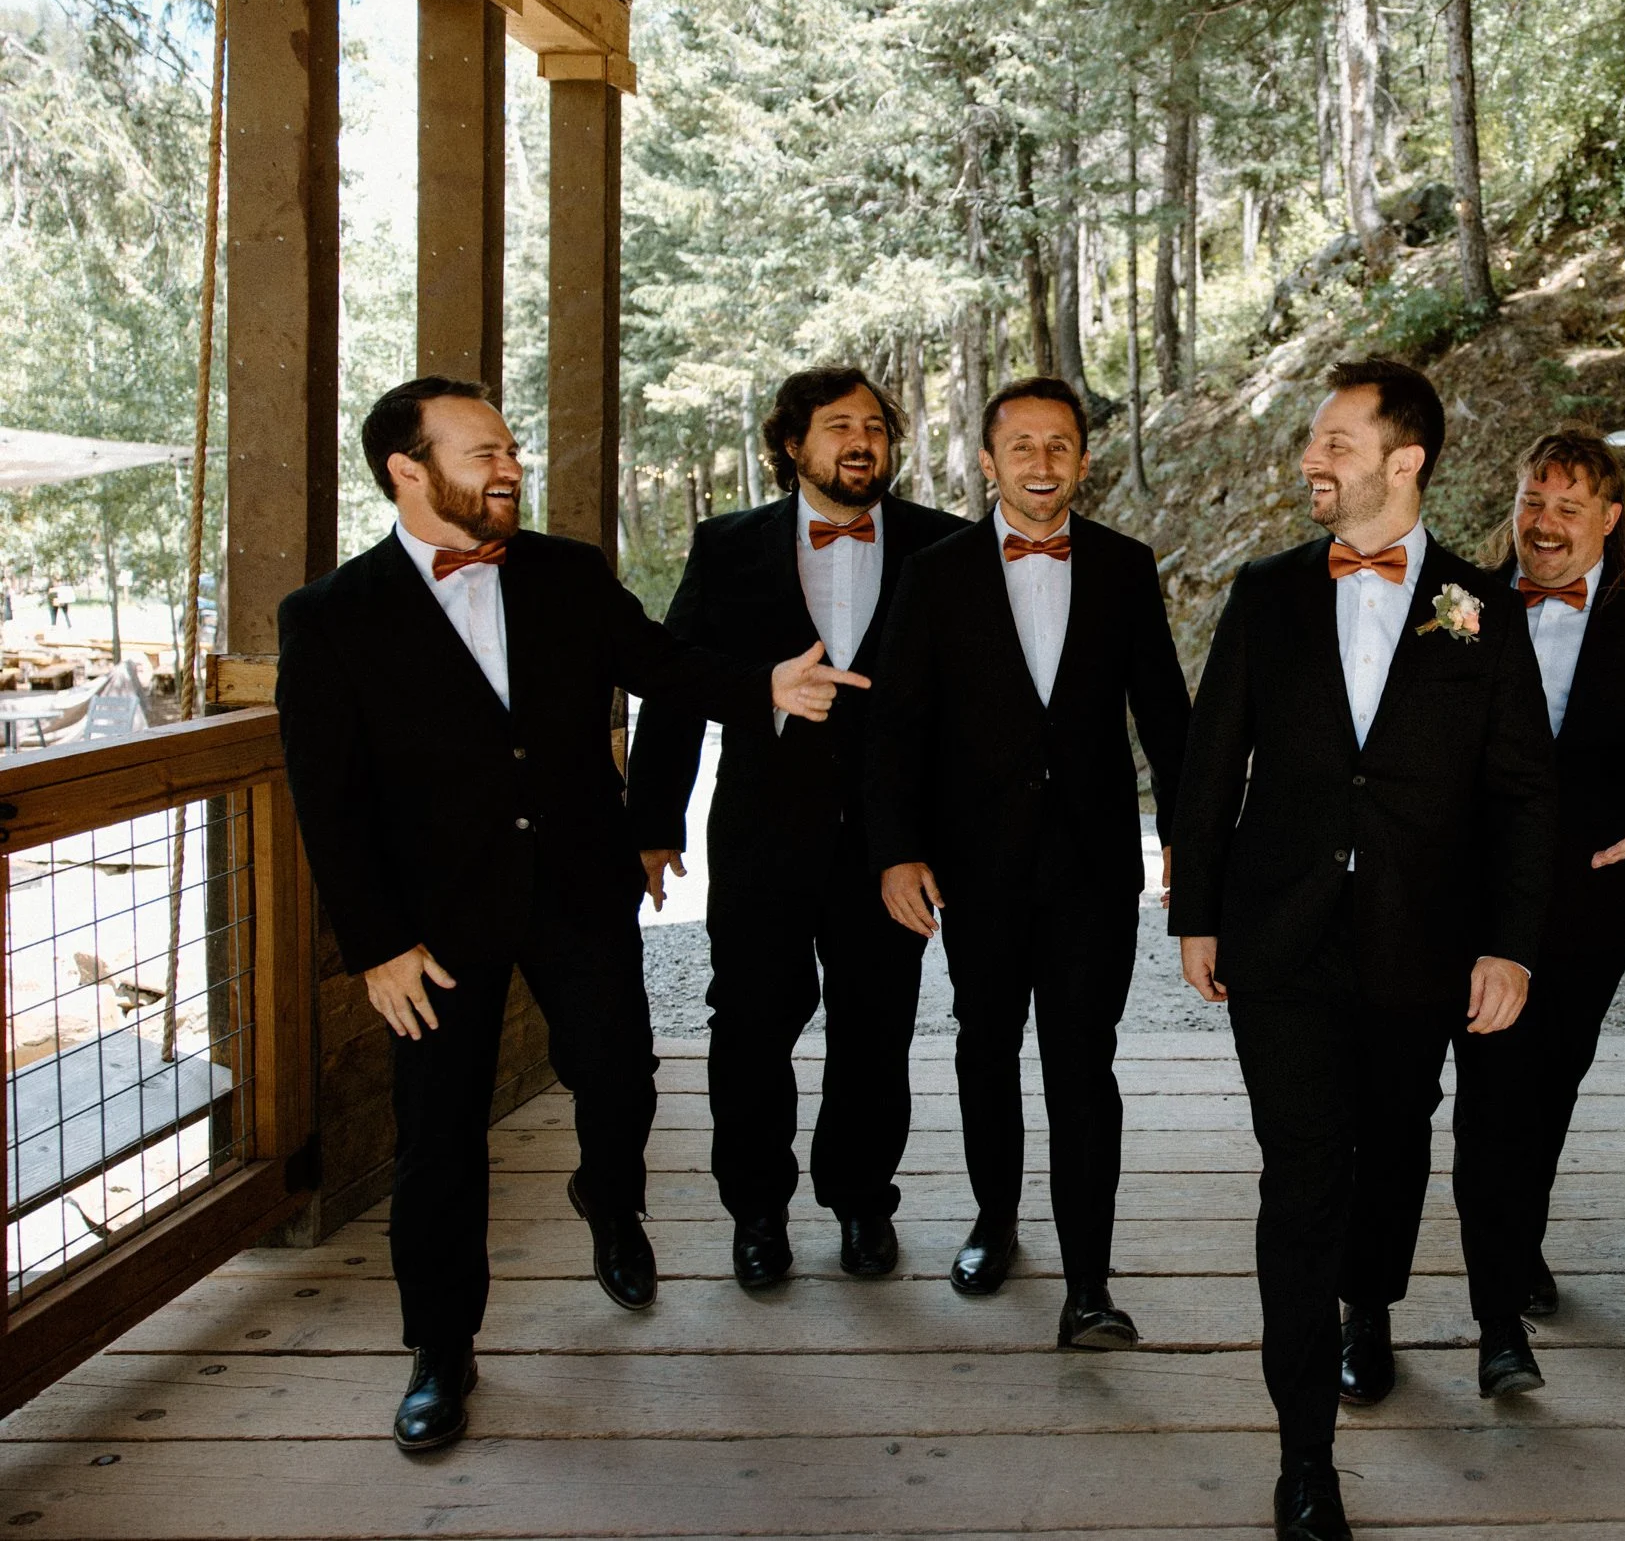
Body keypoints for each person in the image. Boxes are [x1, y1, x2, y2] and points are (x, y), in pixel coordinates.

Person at [275, 377, 856, 1452]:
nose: (509, 465)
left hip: (580, 887)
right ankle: (440, 1349)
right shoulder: (327, 618)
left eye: (510, 448)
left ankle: (612, 1197)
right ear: (407, 469)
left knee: (619, 1071)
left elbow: (666, 666)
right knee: (437, 1135)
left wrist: (766, 687)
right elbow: (330, 801)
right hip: (433, 925)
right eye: (482, 450)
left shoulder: (568, 572)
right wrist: (377, 947)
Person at [1168, 358, 1556, 1541]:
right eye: (1311, 441)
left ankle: (1371, 1298)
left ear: (1405, 459)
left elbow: (1522, 793)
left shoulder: (1480, 607)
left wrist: (1510, 944)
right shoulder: (1267, 590)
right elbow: (1208, 757)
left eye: (1334, 441)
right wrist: (1194, 908)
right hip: (1277, 935)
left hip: (1419, 942)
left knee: (1392, 1146)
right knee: (1299, 1178)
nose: (1309, 460)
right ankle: (1304, 1463)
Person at [867, 375, 1191, 1352]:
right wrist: (895, 851)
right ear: (987, 460)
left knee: (1082, 1059)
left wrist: (1188, 828)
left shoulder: (1126, 566)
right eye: (1022, 446)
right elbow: (896, 728)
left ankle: (1089, 1281)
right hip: (977, 863)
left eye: (1060, 446)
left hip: (1095, 861)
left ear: (1082, 459)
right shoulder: (934, 571)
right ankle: (994, 1218)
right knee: (984, 1039)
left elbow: (1165, 711)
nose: (1042, 463)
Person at [626, 367, 969, 1287]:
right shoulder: (728, 544)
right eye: (837, 426)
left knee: (876, 1026)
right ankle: (757, 1211)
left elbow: (976, 710)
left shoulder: (946, 548)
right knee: (748, 1023)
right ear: (792, 445)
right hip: (762, 835)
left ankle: (863, 1200)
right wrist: (654, 821)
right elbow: (675, 680)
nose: (861, 441)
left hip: (892, 848)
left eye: (875, 426)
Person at [1457, 431, 1625, 1336]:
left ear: (1611, 518)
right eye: (1534, 499)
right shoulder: (1462, 601)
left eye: (1569, 507)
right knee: (1489, 1088)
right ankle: (1502, 1262)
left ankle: (1516, 1239)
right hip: (1476, 891)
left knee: (1552, 1079)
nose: (1544, 522)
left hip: (1592, 891)